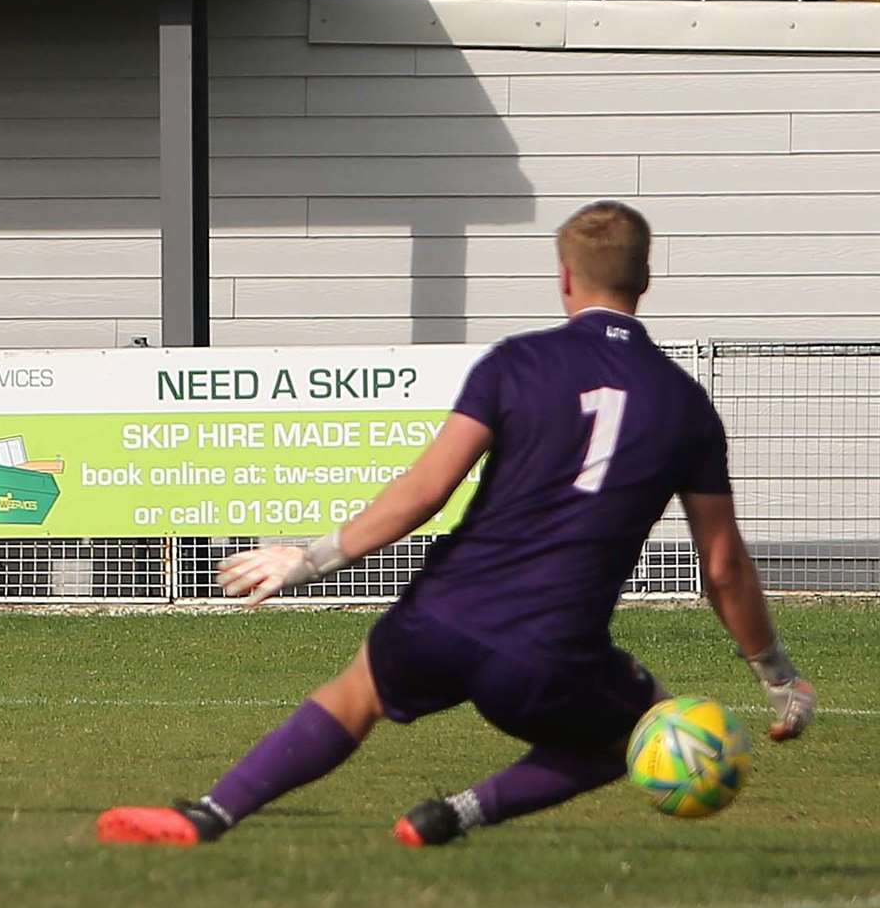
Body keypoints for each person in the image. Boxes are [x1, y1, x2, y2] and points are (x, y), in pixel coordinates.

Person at [97, 201, 818, 849]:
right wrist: (777, 675)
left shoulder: (519, 361)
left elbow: (425, 490)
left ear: (566, 278)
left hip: (447, 612)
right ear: (646, 281)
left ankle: (212, 814)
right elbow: (722, 566)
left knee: (355, 695)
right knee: (637, 733)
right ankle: (457, 815)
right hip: (554, 648)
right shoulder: (686, 404)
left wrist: (305, 560)